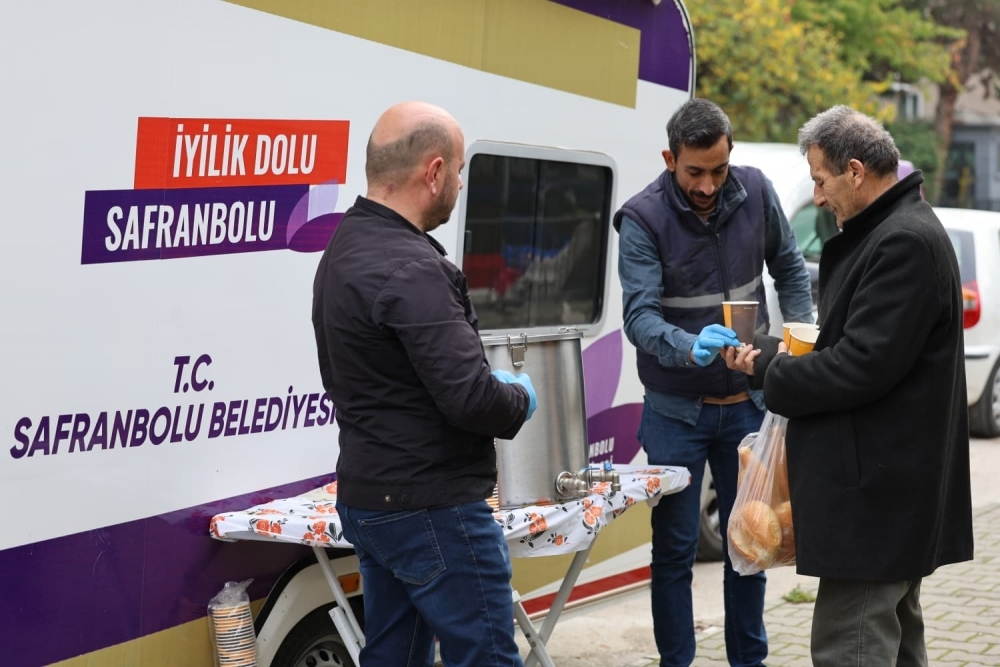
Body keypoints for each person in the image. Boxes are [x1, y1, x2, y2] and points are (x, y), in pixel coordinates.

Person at [724, 105, 974, 666]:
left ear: (856, 171)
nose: (816, 196)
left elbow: (859, 367)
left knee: (850, 647)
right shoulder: (895, 230)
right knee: (898, 644)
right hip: (888, 498)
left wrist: (770, 370)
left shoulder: (902, 241)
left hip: (877, 503)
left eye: (820, 180)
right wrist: (776, 353)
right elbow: (864, 354)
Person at [312, 100, 538, 667]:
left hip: (370, 498)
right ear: (433, 172)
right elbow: (471, 398)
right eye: (459, 170)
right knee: (486, 655)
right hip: (432, 506)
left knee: (393, 655)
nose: (459, 184)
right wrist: (520, 397)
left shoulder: (342, 248)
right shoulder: (414, 268)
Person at [613, 98, 814, 667]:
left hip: (751, 405)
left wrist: (801, 332)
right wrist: (687, 345)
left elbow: (791, 267)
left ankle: (747, 661)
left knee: (752, 543)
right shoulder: (642, 218)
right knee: (674, 550)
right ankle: (677, 662)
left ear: (732, 156)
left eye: (718, 170)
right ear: (669, 158)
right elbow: (639, 318)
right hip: (676, 412)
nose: (708, 185)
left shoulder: (755, 191)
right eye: (694, 171)